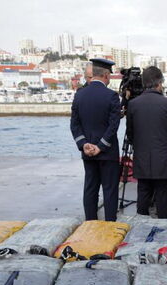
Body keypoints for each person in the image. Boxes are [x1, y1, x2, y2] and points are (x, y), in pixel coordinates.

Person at [70, 58, 121, 221]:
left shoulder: (79, 95)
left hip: (88, 152)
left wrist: (84, 144)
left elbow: (74, 125)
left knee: (90, 188)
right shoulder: (112, 96)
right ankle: (110, 226)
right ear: (106, 75)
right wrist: (101, 146)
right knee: (110, 190)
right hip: (108, 152)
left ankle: (90, 223)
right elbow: (113, 126)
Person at [126, 67, 167, 219]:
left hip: (142, 157)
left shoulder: (133, 104)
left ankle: (140, 229)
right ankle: (163, 231)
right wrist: (166, 147)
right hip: (163, 158)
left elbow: (130, 133)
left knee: (143, 193)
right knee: (162, 196)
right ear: (160, 83)